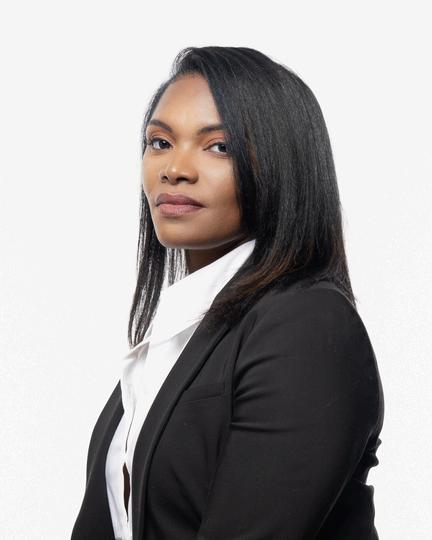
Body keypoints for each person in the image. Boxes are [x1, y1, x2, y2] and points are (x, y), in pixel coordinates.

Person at [71, 46, 385, 540]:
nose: (175, 168)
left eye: (219, 147)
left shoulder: (305, 324)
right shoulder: (177, 338)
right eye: (160, 142)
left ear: (281, 164)